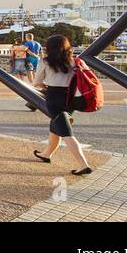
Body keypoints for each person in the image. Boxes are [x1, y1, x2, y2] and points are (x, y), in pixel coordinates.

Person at [30, 34, 94, 175]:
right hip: (71, 99)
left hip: (54, 99)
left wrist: (46, 86)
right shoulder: (74, 61)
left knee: (66, 133)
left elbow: (36, 83)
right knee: (56, 126)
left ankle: (83, 165)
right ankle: (47, 154)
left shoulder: (45, 62)